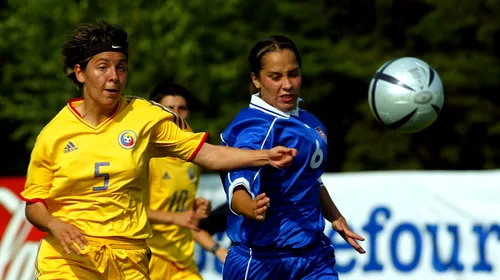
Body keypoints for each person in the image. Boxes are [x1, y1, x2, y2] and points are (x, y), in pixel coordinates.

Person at [20, 21, 296, 280]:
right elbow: (34, 204)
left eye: (121, 67)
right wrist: (55, 225)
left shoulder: (145, 117)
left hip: (129, 258)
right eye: (102, 67)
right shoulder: (54, 134)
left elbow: (208, 155)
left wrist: (264, 156)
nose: (114, 77)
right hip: (69, 258)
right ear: (80, 72)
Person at [220, 35, 366, 280]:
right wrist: (250, 208)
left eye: (293, 74)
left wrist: (335, 217)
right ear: (256, 79)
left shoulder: (310, 123)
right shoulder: (254, 128)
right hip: (261, 262)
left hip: (313, 257)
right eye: (275, 77)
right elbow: (237, 189)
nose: (287, 85)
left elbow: (309, 181)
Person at [146, 81, 228, 280]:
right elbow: (132, 210)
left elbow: (184, 215)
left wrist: (196, 208)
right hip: (150, 259)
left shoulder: (192, 159)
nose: (176, 114)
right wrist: (176, 218)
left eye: (181, 108)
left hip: (182, 261)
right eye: (169, 108)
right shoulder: (146, 156)